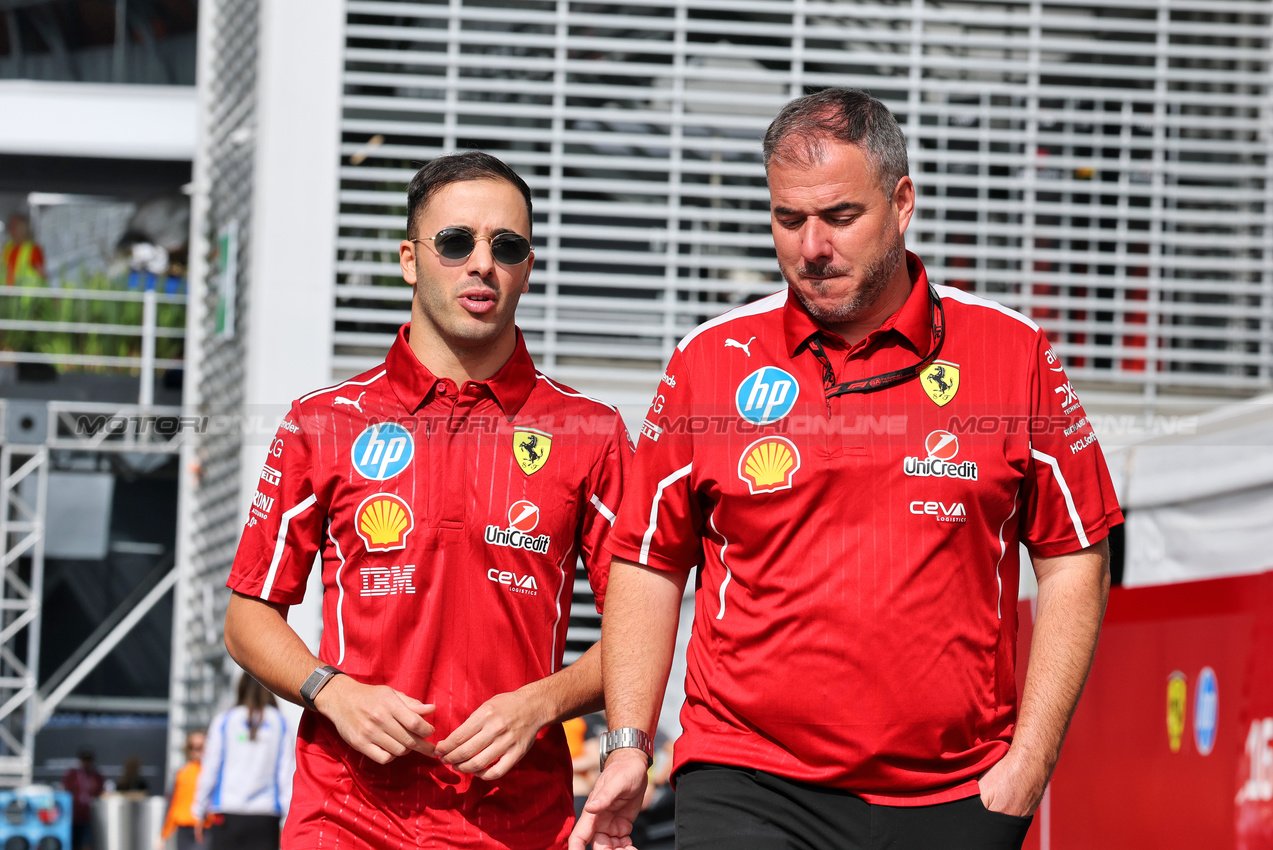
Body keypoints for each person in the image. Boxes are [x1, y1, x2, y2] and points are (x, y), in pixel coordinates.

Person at [572, 88, 1123, 850]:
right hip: (747, 779)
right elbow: (647, 560)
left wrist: (1028, 763)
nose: (811, 247)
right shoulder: (707, 360)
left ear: (900, 204)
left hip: (956, 794)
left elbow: (1075, 557)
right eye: (787, 219)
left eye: (838, 217)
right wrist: (629, 745)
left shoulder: (1012, 351)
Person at [221, 150, 631, 848]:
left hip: (519, 820)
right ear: (410, 260)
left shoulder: (589, 432)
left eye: (507, 246)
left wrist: (541, 702)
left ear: (527, 267)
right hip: (346, 812)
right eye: (455, 242)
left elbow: (640, 634)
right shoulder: (323, 421)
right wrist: (332, 690)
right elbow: (246, 617)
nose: (482, 263)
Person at [192, 675, 293, 850]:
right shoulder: (280, 722)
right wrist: (287, 819)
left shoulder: (225, 720)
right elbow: (287, 773)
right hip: (266, 815)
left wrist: (199, 811)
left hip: (228, 812)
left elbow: (210, 768)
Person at [158, 732, 208, 850]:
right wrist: (163, 835)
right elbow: (172, 804)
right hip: (184, 829)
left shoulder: (212, 774)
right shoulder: (182, 773)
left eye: (201, 747)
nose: (196, 751)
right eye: (192, 747)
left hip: (205, 828)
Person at [62, 747, 104, 850]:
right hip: (73, 815)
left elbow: (99, 792)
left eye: (88, 760)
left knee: (86, 844)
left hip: (89, 816)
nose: (86, 763)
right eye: (84, 760)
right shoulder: (72, 775)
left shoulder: (96, 776)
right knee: (73, 843)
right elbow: (66, 790)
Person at [2, 213, 46, 286]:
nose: (9, 229)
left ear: (22, 229)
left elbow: (42, 277)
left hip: (26, 295)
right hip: (6, 294)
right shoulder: (7, 247)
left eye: (13, 226)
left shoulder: (34, 250)